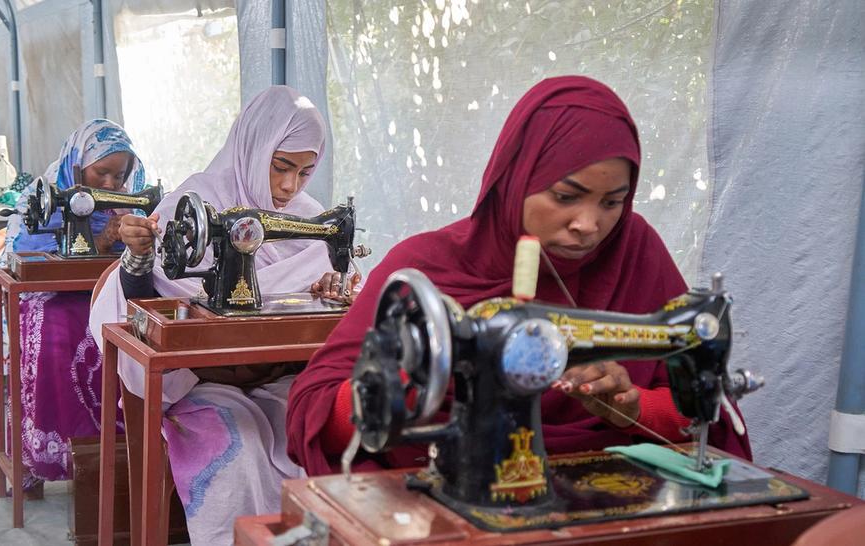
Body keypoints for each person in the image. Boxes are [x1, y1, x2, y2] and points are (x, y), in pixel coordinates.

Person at [286, 76, 752, 477]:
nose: (589, 225)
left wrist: (632, 408)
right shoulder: (427, 269)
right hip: (445, 500)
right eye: (567, 196)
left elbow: (703, 413)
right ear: (516, 178)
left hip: (605, 501)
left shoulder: (635, 252)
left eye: (613, 203)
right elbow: (313, 412)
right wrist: (404, 389)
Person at [89, 86, 357, 546]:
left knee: (322, 440)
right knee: (237, 453)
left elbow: (347, 282)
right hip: (200, 382)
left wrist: (334, 289)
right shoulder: (191, 207)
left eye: (306, 172)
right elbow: (141, 302)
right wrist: (138, 257)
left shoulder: (311, 219)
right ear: (254, 146)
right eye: (281, 167)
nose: (291, 186)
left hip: (278, 377)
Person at [0, 119, 144, 488]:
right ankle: (46, 454)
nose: (111, 184)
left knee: (132, 331)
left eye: (120, 175)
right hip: (47, 296)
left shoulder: (126, 202)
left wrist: (135, 235)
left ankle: (117, 454)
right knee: (56, 329)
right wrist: (102, 243)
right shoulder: (44, 196)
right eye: (102, 173)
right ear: (77, 164)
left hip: (101, 292)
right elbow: (23, 251)